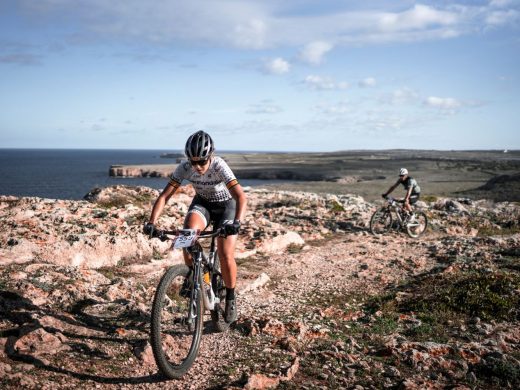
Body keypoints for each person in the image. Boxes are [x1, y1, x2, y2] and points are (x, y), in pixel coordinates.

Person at [144, 130, 247, 324]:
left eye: (202, 161)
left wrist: (237, 223)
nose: (197, 167)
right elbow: (164, 196)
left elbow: (241, 196)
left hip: (227, 207)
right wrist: (151, 222)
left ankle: (231, 297)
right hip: (203, 204)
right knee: (187, 237)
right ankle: (194, 277)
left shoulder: (219, 165)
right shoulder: (184, 168)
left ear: (210, 157)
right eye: (193, 162)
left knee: (225, 254)